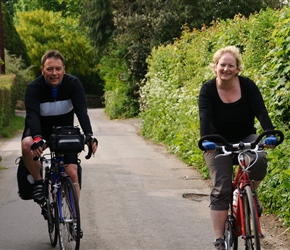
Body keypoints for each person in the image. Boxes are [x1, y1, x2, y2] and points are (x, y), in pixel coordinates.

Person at [198, 46, 276, 250]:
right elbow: (204, 116)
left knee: (259, 161)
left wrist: (269, 133)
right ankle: (219, 239)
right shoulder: (208, 89)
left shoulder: (248, 86)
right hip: (216, 141)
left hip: (246, 137)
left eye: (230, 65)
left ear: (237, 68)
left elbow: (260, 110)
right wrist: (205, 139)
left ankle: (251, 193)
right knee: (221, 187)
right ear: (215, 67)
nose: (226, 69)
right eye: (222, 65)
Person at [21, 49, 98, 207]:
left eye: (58, 68)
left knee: (72, 173)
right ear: (42, 70)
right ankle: (39, 183)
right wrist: (37, 137)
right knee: (27, 145)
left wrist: (89, 134)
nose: (54, 73)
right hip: (39, 130)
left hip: (64, 131)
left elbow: (81, 111)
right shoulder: (33, 88)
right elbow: (32, 116)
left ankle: (73, 221)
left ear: (64, 70)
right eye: (49, 69)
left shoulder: (73, 84)